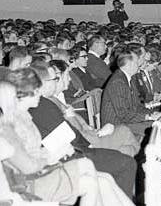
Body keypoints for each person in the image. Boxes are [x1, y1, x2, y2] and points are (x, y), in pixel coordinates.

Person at [0, 69, 133, 206]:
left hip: (38, 173)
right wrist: (52, 155)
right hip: (32, 182)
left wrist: (53, 152)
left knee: (102, 176)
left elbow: (33, 151)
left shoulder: (24, 116)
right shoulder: (9, 126)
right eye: (37, 90)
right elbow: (28, 166)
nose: (40, 94)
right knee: (92, 182)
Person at [27, 61, 138, 198]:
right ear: (42, 82)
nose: (58, 82)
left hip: (75, 150)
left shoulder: (45, 102)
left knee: (121, 157)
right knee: (127, 163)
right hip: (73, 156)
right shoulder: (43, 106)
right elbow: (67, 139)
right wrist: (90, 146)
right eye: (55, 79)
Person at [100, 50, 160, 139]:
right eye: (137, 62)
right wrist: (148, 117)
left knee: (158, 124)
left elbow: (136, 105)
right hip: (115, 125)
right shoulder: (118, 82)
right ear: (129, 65)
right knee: (155, 130)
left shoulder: (128, 78)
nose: (140, 64)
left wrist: (152, 113)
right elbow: (123, 114)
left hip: (126, 121)